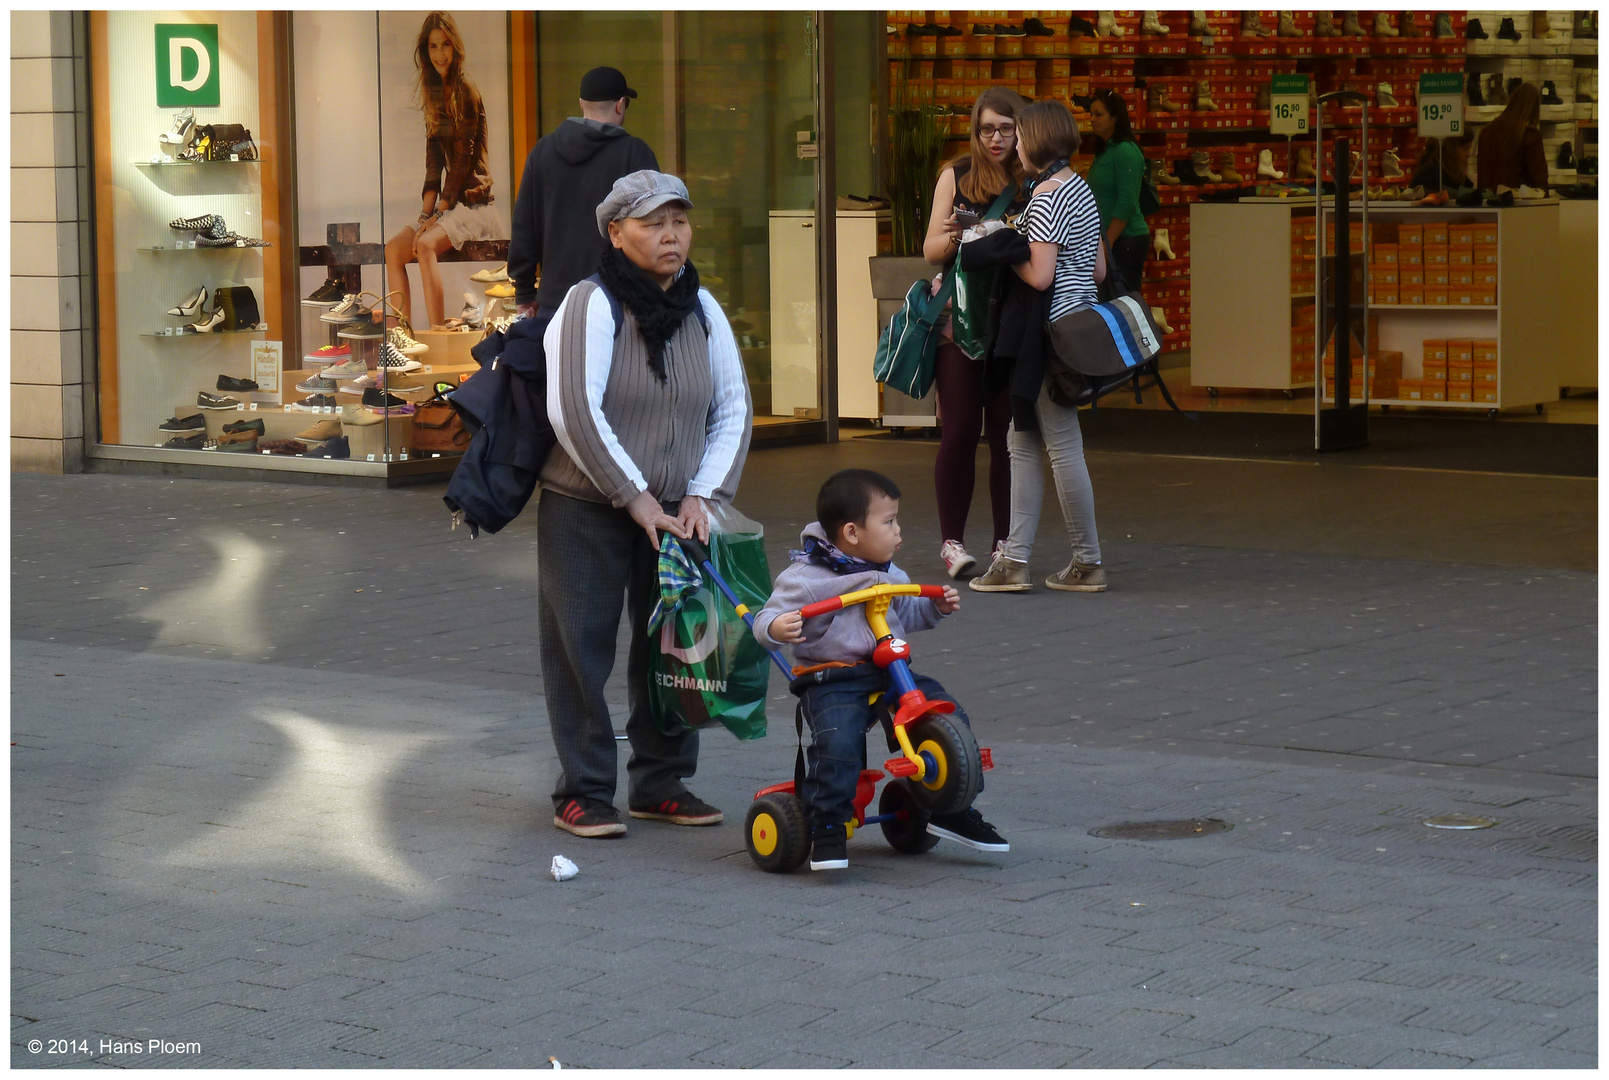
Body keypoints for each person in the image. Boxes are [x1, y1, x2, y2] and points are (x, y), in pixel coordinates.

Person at [538, 170, 753, 838]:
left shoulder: (703, 309)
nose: (670, 236)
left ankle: (660, 782)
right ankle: (584, 789)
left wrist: (703, 496)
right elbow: (573, 407)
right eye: (653, 223)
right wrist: (630, 494)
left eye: (679, 222)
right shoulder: (590, 303)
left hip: (675, 508)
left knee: (675, 648)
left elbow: (732, 408)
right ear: (616, 232)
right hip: (587, 504)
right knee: (581, 647)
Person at [752, 468, 1008, 871]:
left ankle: (951, 805)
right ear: (852, 533)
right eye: (889, 522)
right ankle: (828, 825)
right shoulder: (804, 579)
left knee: (945, 712)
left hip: (892, 673)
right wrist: (776, 627)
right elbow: (767, 618)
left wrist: (934, 607)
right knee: (838, 745)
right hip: (833, 676)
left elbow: (906, 608)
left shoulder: (888, 571)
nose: (898, 531)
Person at [969, 99, 1108, 595]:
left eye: (1022, 137)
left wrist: (1002, 248)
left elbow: (1041, 274)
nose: (1016, 147)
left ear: (1039, 139)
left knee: (1061, 446)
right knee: (1020, 440)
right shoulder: (1081, 189)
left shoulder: (1047, 195)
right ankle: (1013, 560)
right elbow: (1097, 271)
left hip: (1045, 335)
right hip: (1078, 328)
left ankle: (1087, 561)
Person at [921, 87, 1028, 581]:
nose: (996, 138)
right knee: (960, 430)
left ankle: (1004, 541)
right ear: (975, 130)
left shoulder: (1034, 179)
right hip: (959, 321)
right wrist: (970, 233)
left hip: (1011, 321)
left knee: (1007, 435)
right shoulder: (957, 174)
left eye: (1006, 128)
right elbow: (931, 249)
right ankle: (952, 543)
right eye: (987, 129)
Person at [510, 66, 659, 328]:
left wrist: (524, 292)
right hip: (618, 306)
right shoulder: (635, 155)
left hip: (555, 307)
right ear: (620, 105)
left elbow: (524, 227)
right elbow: (653, 228)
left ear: (581, 103)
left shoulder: (542, 152)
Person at [383, 12, 505, 330]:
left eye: (445, 45)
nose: (439, 54)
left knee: (424, 246)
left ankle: (437, 333)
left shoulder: (466, 91)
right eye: (433, 46)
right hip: (448, 205)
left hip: (474, 204)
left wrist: (436, 216)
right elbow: (434, 162)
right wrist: (425, 216)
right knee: (394, 249)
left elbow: (462, 164)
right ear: (426, 51)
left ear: (455, 47)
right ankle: (401, 338)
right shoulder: (434, 92)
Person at [1085, 88, 1149, 293]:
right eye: (1091, 114)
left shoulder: (1125, 151)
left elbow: (1126, 203)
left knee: (1123, 304)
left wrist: (1107, 243)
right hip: (1107, 239)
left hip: (1125, 240)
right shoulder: (1105, 149)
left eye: (1099, 114)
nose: (1092, 119)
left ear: (1115, 117)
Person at [1474, 82, 1549, 194]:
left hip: (1488, 202)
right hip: (1517, 204)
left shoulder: (1486, 131)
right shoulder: (1529, 134)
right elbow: (1539, 179)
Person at [1410, 131, 1476, 196]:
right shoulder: (1432, 174)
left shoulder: (1450, 171)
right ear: (1450, 149)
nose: (1469, 155)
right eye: (1465, 149)